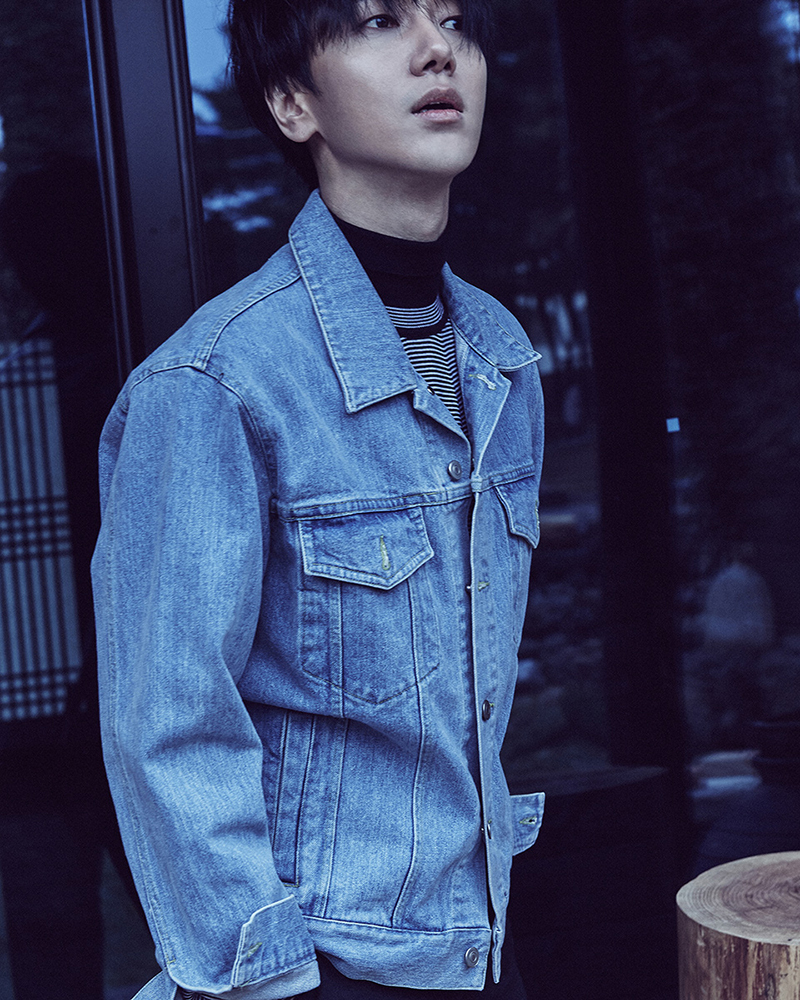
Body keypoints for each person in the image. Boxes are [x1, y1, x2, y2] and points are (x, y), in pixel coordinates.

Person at [92, 1, 545, 998]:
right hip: (317, 968)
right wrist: (273, 981)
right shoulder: (214, 384)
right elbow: (168, 727)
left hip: (474, 948)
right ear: (294, 103)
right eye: (380, 20)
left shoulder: (502, 358)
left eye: (453, 19)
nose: (438, 48)